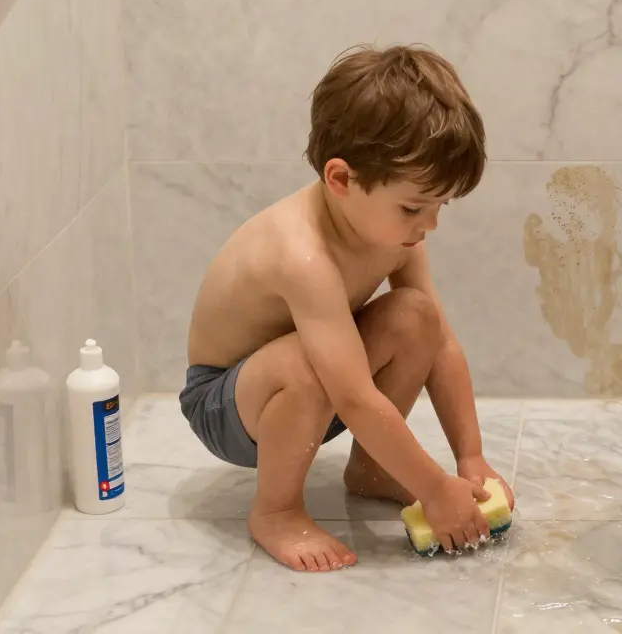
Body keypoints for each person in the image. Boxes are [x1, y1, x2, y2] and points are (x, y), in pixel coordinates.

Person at [178, 44, 514, 572]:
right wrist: (432, 487)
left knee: (416, 316)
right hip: (226, 407)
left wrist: (468, 458)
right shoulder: (300, 254)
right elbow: (354, 397)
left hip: (315, 391)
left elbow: (440, 342)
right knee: (307, 364)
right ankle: (276, 510)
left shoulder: (388, 231)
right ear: (341, 180)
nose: (428, 226)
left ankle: (373, 470)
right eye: (413, 207)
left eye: (438, 206)